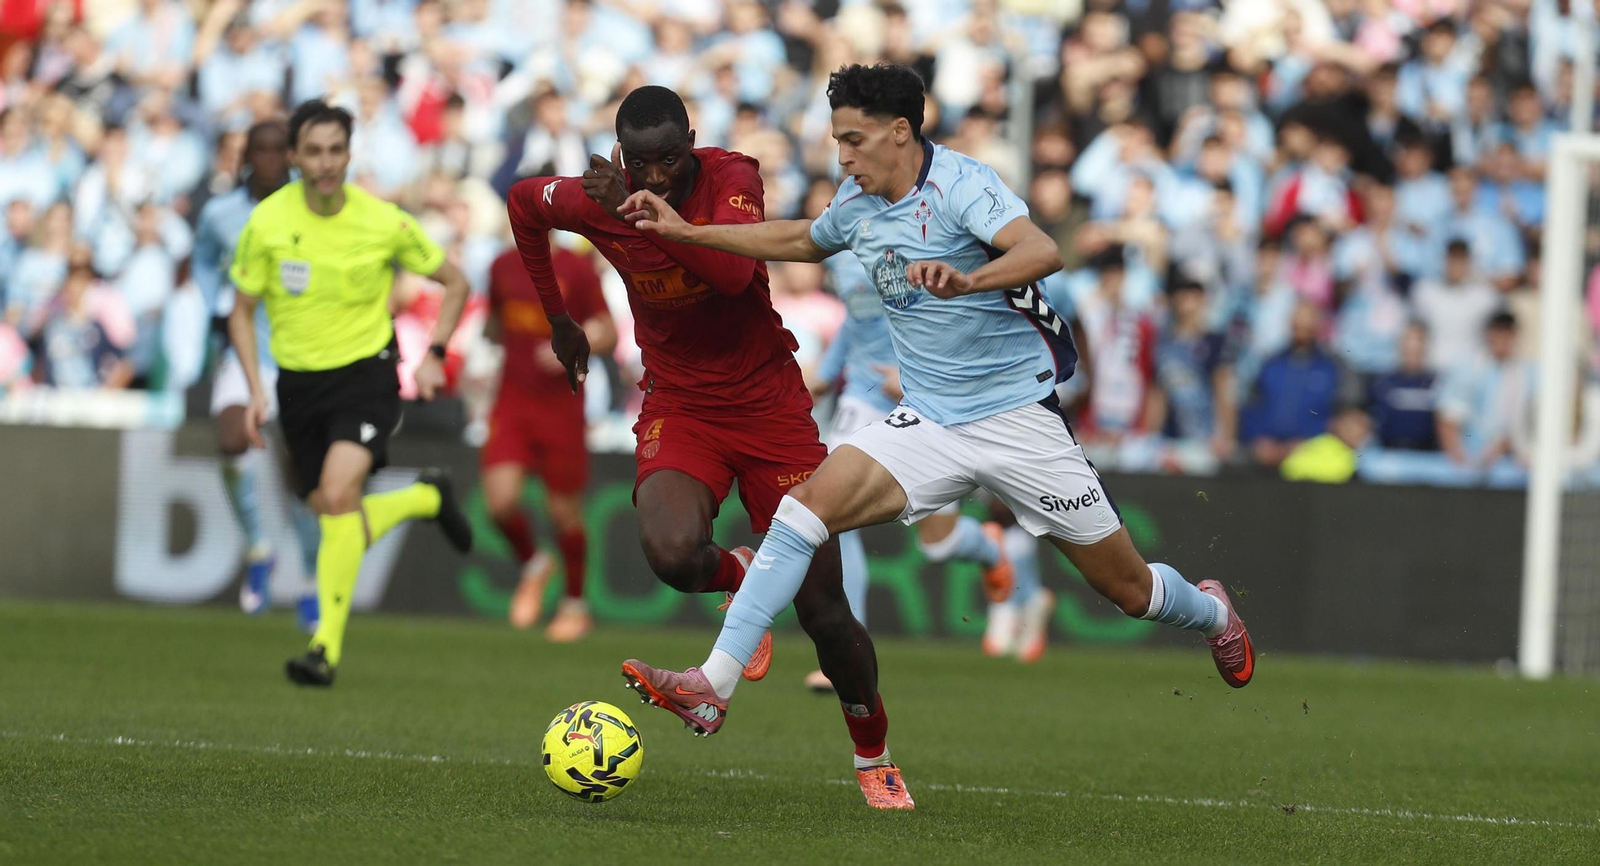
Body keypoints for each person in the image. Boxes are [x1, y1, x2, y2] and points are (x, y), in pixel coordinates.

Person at [616, 64, 1257, 810]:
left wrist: (967, 280)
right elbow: (799, 237)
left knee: (1130, 589)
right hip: (930, 420)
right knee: (801, 513)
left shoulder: (962, 185)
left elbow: (1040, 250)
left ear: (899, 132)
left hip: (1018, 420)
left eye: (853, 140)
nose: (843, 156)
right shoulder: (857, 205)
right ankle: (712, 685)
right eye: (836, 141)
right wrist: (689, 230)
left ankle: (1212, 611)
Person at [504, 86, 885, 799]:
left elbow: (734, 272)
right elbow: (525, 207)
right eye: (640, 164)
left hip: (770, 407)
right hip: (681, 403)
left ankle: (874, 756)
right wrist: (558, 317)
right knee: (672, 552)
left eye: (670, 161)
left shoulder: (732, 175)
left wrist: (643, 218)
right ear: (620, 154)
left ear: (692, 144)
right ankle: (743, 577)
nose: (654, 177)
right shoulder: (595, 197)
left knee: (825, 611)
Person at [228, 100, 475, 687]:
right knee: (330, 510)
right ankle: (425, 499)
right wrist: (256, 390)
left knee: (338, 495)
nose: (325, 163)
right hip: (297, 386)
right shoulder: (266, 223)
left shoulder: (380, 220)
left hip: (366, 374)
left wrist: (434, 355)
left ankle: (324, 650)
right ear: (293, 157)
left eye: (335, 150)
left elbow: (456, 281)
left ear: (349, 152)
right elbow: (239, 313)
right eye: (312, 151)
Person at [805, 243, 1024, 691]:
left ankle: (988, 547)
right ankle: (850, 648)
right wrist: (826, 374)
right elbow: (857, 316)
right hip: (861, 397)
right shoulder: (842, 245)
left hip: (923, 396)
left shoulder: (917, 239)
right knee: (827, 519)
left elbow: (951, 319)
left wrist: (909, 379)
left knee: (937, 545)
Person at [193, 120, 321, 631]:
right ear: (246, 155)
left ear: (290, 156)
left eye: (277, 150)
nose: (269, 159)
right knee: (230, 440)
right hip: (245, 352)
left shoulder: (308, 208)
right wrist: (213, 307)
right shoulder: (221, 213)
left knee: (302, 480)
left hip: (299, 356)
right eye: (259, 149)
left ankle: (311, 582)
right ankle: (258, 550)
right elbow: (203, 258)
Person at [482, 240, 616, 641]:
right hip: (512, 400)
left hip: (562, 406)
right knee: (500, 501)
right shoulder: (501, 265)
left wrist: (574, 342)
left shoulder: (576, 268)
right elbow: (493, 323)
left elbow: (607, 331)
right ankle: (534, 562)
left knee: (563, 512)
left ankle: (575, 604)